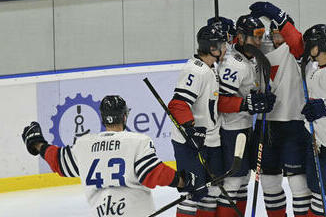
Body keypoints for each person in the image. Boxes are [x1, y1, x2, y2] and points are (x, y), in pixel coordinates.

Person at [22, 95, 197, 217]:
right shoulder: (137, 141)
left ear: (103, 118)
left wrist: (38, 144)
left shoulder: (84, 144)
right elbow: (152, 173)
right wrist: (183, 180)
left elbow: (59, 161)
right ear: (125, 117)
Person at [249, 1, 312, 217]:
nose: (277, 36)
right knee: (269, 182)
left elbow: (296, 42)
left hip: (293, 124)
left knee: (298, 184)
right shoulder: (261, 48)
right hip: (267, 126)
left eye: (280, 31)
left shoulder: (296, 51)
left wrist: (278, 14)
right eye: (273, 32)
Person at [216, 14, 276, 217]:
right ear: (240, 38)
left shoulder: (253, 59)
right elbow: (219, 101)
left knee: (242, 182)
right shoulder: (234, 64)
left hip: (244, 127)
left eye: (260, 37)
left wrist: (262, 99)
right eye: (254, 37)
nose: (259, 42)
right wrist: (246, 103)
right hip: (231, 130)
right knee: (233, 183)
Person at [168, 23, 228, 217]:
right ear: (212, 48)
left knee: (212, 191)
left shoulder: (210, 69)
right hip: (190, 143)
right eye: (222, 44)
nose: (226, 47)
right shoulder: (196, 70)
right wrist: (190, 130)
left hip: (210, 139)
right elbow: (178, 104)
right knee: (193, 195)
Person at [301, 24, 326, 217]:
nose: (306, 49)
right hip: (318, 142)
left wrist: (325, 107)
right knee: (318, 193)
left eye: (309, 44)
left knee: (323, 197)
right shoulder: (313, 68)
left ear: (318, 46)